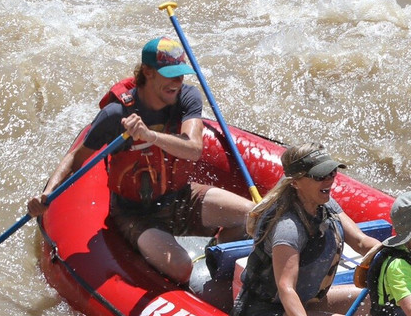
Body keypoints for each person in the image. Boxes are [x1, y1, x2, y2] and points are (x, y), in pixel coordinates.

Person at [27, 37, 252, 284]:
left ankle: (216, 256)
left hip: (181, 197)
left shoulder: (187, 97)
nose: (177, 82)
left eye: (181, 75)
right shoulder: (115, 114)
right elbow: (75, 158)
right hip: (135, 213)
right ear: (148, 72)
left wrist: (150, 136)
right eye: (170, 75)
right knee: (181, 267)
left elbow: (194, 149)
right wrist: (48, 194)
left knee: (254, 216)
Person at [228, 144, 380, 316]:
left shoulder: (326, 204)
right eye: (320, 176)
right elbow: (286, 287)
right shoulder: (287, 227)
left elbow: (360, 241)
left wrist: (393, 253)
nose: (329, 180)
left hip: (306, 302)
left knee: (367, 299)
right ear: (296, 182)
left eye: (332, 172)